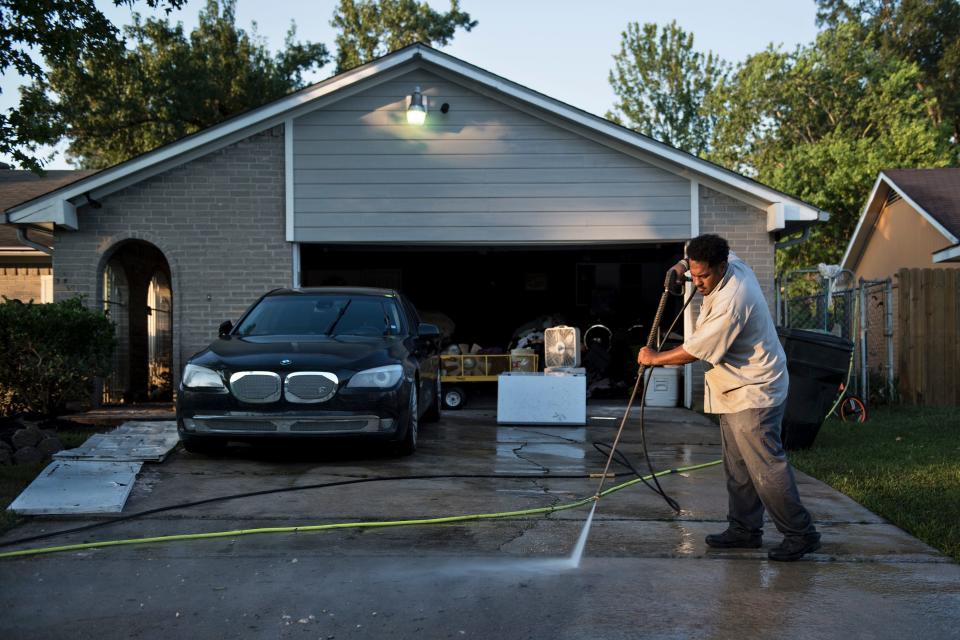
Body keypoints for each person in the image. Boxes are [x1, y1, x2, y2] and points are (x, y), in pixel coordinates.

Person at [637, 233, 821, 562]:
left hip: (756, 389)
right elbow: (692, 253)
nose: (699, 282)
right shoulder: (726, 259)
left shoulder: (734, 300)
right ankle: (744, 530)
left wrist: (653, 357)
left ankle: (800, 534)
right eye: (695, 274)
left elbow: (693, 351)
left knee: (765, 468)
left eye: (704, 275)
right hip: (734, 387)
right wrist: (680, 267)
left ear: (722, 267)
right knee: (737, 467)